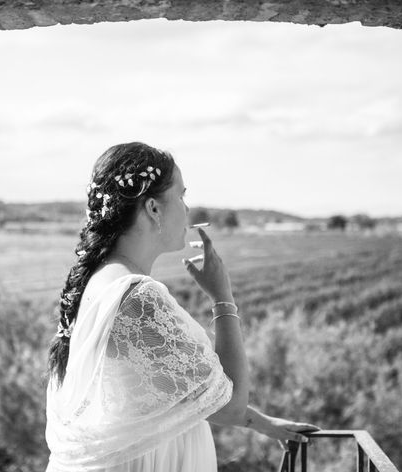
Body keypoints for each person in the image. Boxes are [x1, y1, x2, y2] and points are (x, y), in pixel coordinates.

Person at [45, 142, 319, 472]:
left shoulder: (103, 280)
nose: (187, 209)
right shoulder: (138, 298)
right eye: (181, 196)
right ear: (153, 209)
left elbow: (180, 392)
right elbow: (230, 406)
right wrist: (222, 297)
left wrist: (259, 422)